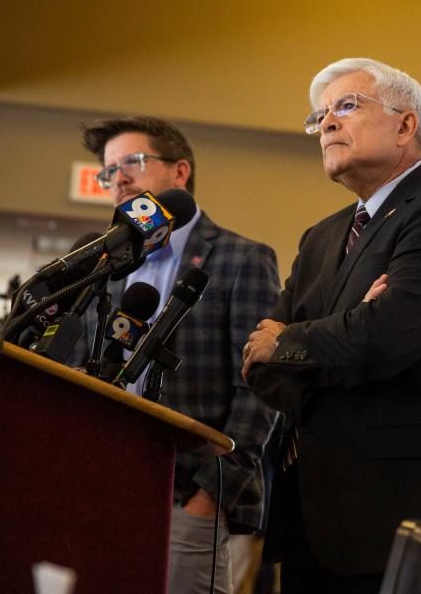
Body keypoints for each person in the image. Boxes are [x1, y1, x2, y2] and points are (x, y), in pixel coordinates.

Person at [243, 58, 421, 592]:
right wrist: (348, 331)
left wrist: (295, 341)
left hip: (406, 517)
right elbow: (259, 366)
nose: (327, 124)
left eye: (347, 106)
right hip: (312, 515)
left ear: (406, 125)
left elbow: (388, 336)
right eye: (320, 117)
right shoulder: (320, 237)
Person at [73, 116, 280, 594]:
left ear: (180, 173)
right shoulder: (101, 262)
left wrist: (212, 493)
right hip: (99, 487)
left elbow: (261, 388)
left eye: (133, 162)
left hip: (187, 497)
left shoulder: (240, 258)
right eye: (108, 171)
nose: (118, 178)